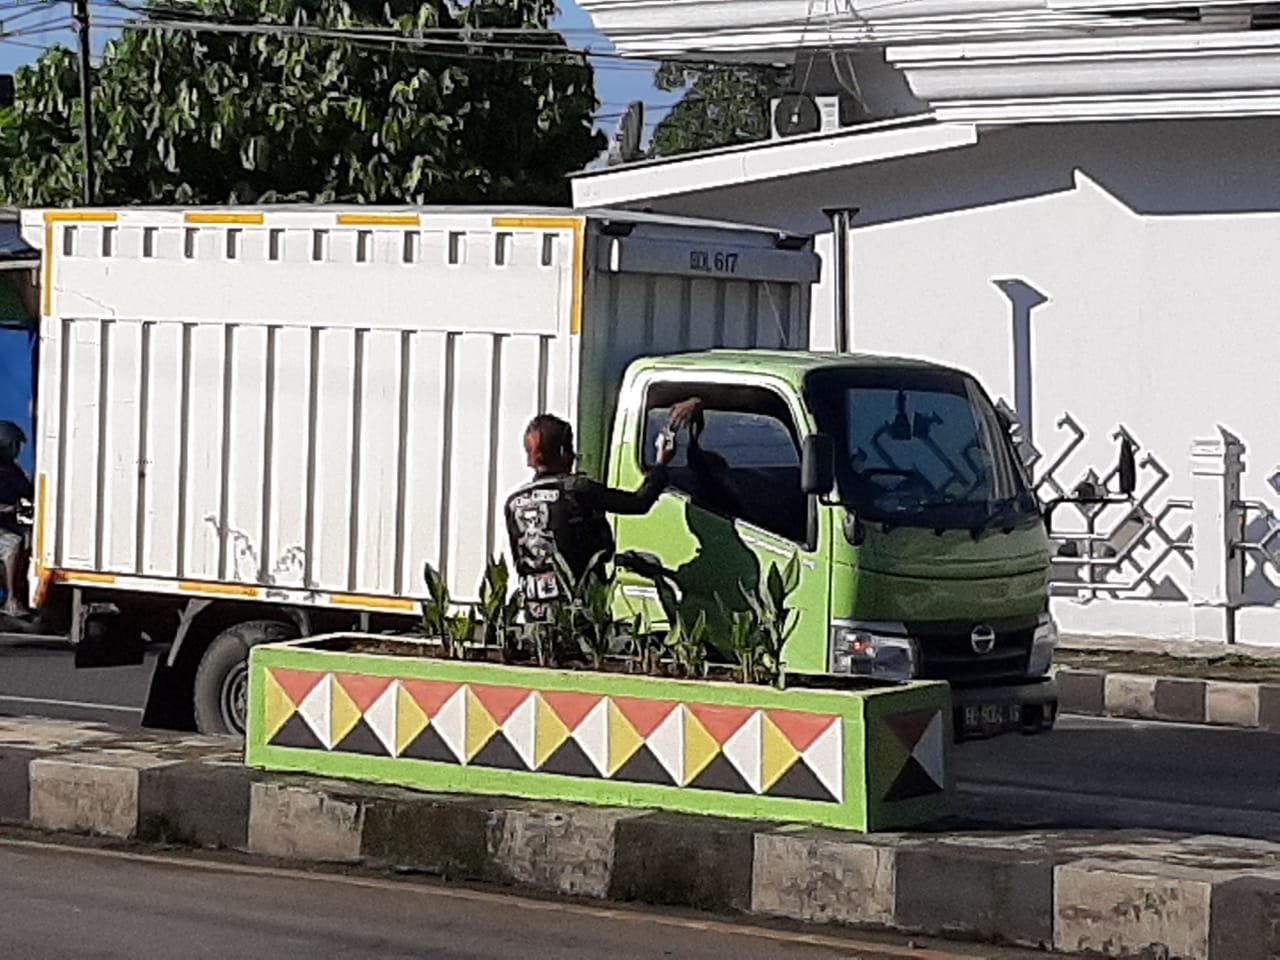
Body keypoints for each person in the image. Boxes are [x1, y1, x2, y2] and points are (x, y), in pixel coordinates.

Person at [504, 402, 699, 619]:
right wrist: (661, 463)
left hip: (535, 609)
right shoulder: (577, 489)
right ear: (563, 451)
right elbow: (638, 502)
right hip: (579, 606)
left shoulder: (514, 502)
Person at [0, 420, 32, 617]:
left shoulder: (14, 471)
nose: (17, 450)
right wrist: (9, 509)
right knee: (13, 543)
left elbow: (26, 493)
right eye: (14, 445)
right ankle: (12, 599)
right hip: (3, 528)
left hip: (10, 525)